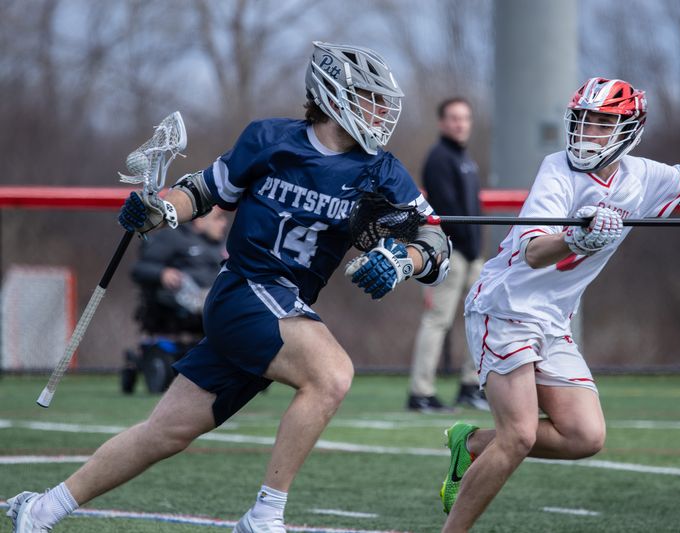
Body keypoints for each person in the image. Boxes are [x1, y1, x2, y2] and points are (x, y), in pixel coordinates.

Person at [6, 41, 450, 533]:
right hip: (246, 289)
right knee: (332, 374)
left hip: (284, 308)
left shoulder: (381, 169)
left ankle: (43, 507)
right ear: (333, 94)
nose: (380, 111)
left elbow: (434, 238)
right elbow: (199, 191)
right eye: (369, 97)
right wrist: (159, 211)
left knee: (164, 432)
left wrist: (402, 262)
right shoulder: (270, 139)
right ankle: (265, 515)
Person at [438, 77, 680, 531]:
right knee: (519, 435)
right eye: (582, 120)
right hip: (505, 307)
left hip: (551, 320)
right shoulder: (557, 169)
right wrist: (575, 236)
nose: (587, 132)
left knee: (585, 435)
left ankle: (469, 444)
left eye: (602, 123)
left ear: (629, 129)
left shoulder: (641, 176)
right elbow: (532, 250)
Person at [408, 97, 487, 412]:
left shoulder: (465, 159)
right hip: (449, 251)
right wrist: (461, 248)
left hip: (471, 254)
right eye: (454, 118)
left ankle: (471, 385)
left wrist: (475, 251)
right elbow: (448, 211)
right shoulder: (439, 157)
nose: (460, 124)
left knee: (481, 319)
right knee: (437, 321)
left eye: (465, 118)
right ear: (442, 122)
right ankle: (420, 392)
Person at [121, 207, 228, 394]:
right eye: (218, 218)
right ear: (200, 221)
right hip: (183, 301)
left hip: (215, 297)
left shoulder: (220, 246)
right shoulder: (172, 238)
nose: (224, 223)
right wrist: (162, 273)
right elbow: (140, 269)